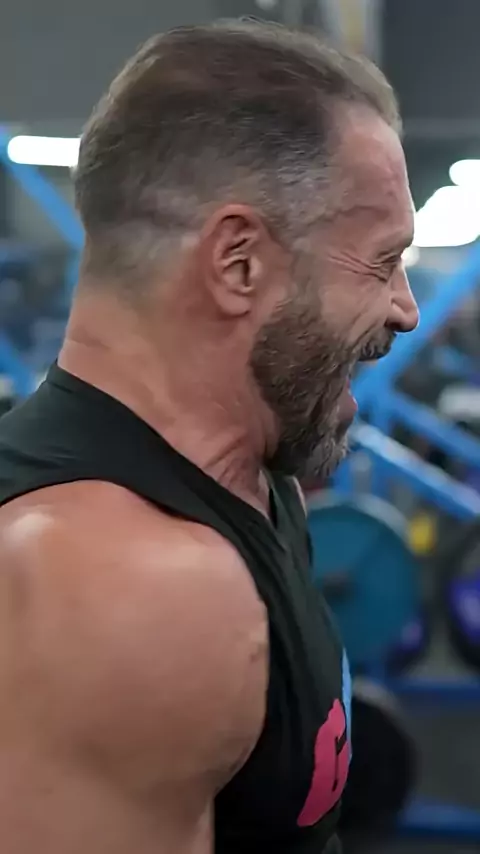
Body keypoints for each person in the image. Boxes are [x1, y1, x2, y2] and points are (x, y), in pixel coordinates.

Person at [0, 18, 418, 854]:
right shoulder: (127, 590)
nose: (405, 308)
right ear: (238, 263)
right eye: (381, 261)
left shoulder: (256, 475)